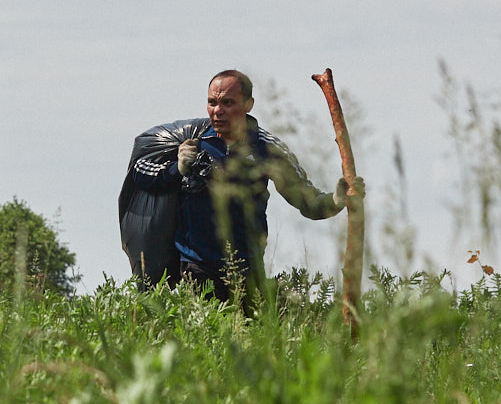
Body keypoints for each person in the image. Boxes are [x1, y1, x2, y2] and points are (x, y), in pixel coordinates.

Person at [119, 69, 363, 305]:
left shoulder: (268, 149)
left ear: (249, 104)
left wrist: (335, 201)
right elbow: (140, 173)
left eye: (227, 103)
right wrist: (178, 168)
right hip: (196, 267)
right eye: (212, 102)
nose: (218, 111)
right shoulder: (192, 138)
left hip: (247, 270)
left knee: (252, 331)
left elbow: (307, 201)